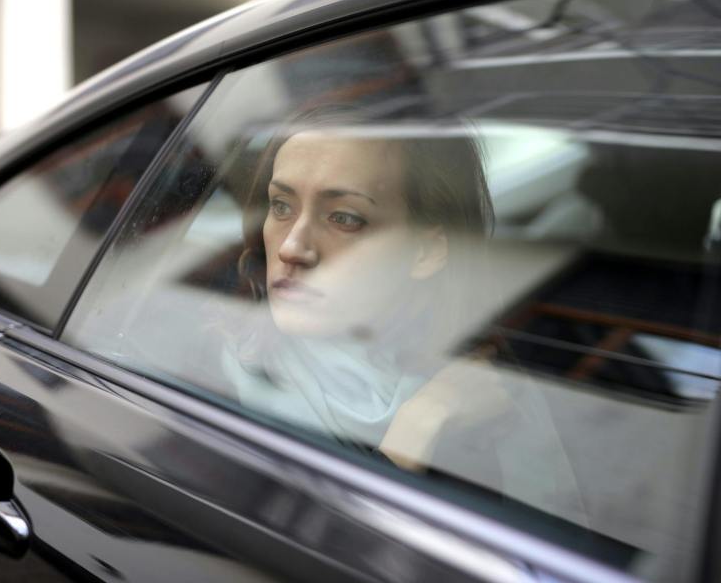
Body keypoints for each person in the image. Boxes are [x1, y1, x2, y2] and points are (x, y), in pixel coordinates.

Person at [222, 107, 587, 524]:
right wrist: (415, 433)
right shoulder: (209, 371)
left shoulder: (494, 392)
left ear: (428, 250)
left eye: (344, 218)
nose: (291, 247)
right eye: (281, 206)